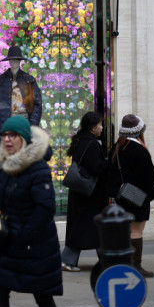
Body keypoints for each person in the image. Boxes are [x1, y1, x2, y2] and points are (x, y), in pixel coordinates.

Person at [0, 116, 62, 307]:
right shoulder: (5, 166)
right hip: (10, 242)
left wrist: (23, 236)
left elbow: (46, 207)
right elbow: (2, 199)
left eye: (13, 135)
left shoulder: (37, 167)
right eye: (4, 135)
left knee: (43, 295)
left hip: (36, 246)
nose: (7, 140)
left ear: (24, 138)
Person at [106, 114, 154, 278]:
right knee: (136, 232)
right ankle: (135, 266)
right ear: (139, 132)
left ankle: (123, 262)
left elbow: (110, 174)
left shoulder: (117, 148)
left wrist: (113, 194)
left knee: (126, 230)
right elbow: (150, 178)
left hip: (121, 196)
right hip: (138, 198)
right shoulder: (140, 151)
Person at [61, 112, 109, 272]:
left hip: (81, 192)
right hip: (90, 194)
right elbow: (97, 167)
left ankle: (70, 260)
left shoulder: (81, 140)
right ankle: (106, 260)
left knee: (84, 227)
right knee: (93, 227)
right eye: (100, 124)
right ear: (93, 126)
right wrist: (107, 163)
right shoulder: (92, 144)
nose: (102, 128)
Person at [0, 45, 42, 143]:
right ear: (9, 61)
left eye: (16, 60)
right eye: (12, 60)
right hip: (5, 124)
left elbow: (37, 105)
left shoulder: (28, 80)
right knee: (6, 155)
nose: (14, 62)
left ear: (20, 61)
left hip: (24, 124)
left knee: (24, 154)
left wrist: (32, 126)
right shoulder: (0, 80)